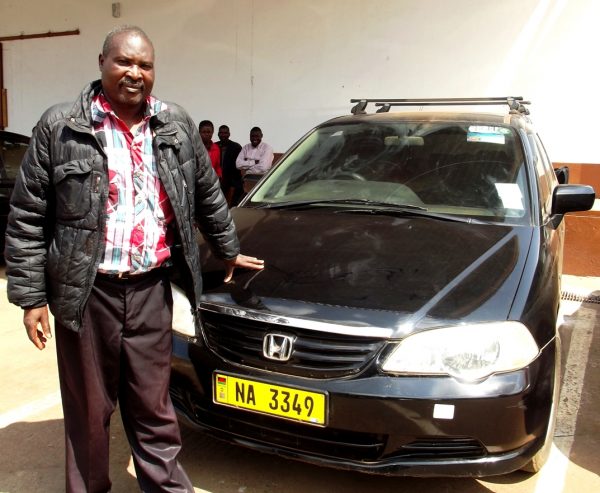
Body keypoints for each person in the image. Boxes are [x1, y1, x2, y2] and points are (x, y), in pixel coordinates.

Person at [4, 25, 264, 493]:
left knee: (153, 405)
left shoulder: (176, 124)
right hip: (86, 294)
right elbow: (28, 215)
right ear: (101, 61)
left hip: (150, 289)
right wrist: (31, 297)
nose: (134, 73)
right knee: (88, 410)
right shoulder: (59, 126)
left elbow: (206, 192)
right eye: (124, 62)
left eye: (145, 65)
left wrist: (228, 248)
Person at [236, 126, 274, 192]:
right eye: (252, 136)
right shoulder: (246, 147)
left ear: (261, 136)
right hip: (246, 179)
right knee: (237, 194)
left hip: (261, 179)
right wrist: (254, 162)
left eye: (257, 136)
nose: (254, 138)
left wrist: (247, 170)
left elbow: (263, 167)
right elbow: (238, 164)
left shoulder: (267, 148)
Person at [217, 124, 243, 206]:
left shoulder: (236, 147)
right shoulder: (215, 146)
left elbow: (238, 166)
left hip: (232, 178)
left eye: (225, 133)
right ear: (218, 134)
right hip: (217, 177)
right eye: (221, 133)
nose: (223, 135)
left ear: (229, 134)